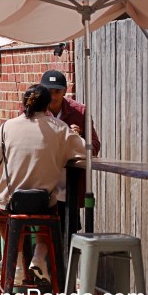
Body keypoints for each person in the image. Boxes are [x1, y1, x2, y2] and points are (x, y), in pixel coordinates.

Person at [0, 84, 87, 286]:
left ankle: (16, 259)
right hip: (44, 200)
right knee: (52, 207)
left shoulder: (6, 127)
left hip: (13, 201)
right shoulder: (60, 128)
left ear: (24, 103)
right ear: (47, 106)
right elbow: (83, 152)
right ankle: (39, 255)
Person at [40, 69, 100, 234]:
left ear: (65, 91)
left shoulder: (80, 112)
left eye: (57, 91)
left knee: (69, 231)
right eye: (49, 91)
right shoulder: (34, 110)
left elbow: (94, 146)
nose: (53, 96)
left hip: (69, 185)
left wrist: (78, 138)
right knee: (45, 231)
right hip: (42, 182)